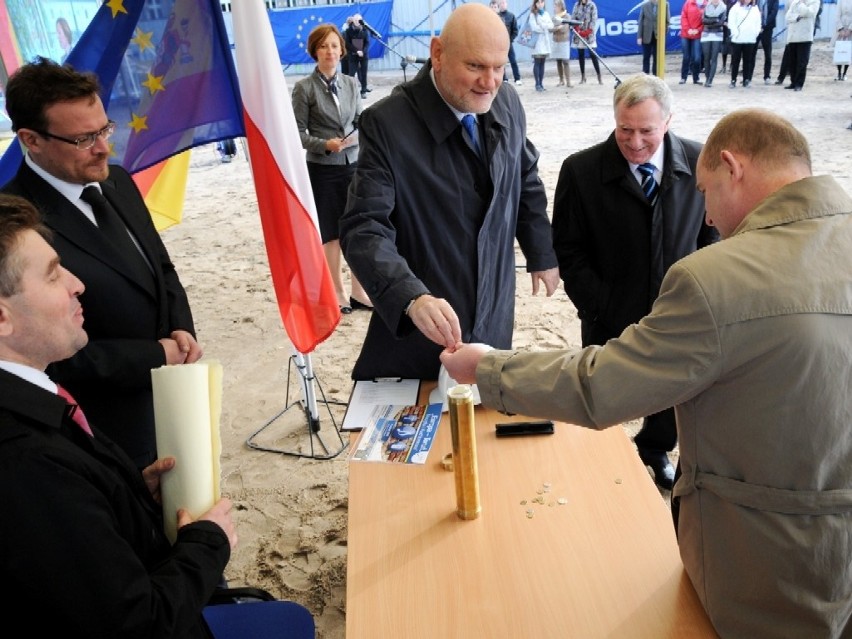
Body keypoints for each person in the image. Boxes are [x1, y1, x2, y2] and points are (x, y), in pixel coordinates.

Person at [441, 108, 852, 637]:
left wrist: (487, 368)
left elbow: (601, 385)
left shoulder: (718, 279)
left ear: (732, 167)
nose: (706, 216)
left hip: (769, 566)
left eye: (704, 191)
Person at [0, 193, 237, 636]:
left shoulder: (27, 396)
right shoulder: (24, 462)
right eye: (53, 276)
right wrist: (206, 543)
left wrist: (121, 494)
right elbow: (136, 623)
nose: (77, 284)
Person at [339, 3, 560, 381]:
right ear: (437, 53)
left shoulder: (506, 101)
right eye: (475, 66)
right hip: (420, 332)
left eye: (499, 67)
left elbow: (524, 177)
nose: (489, 82)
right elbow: (364, 228)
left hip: (493, 312)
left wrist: (541, 251)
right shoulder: (387, 124)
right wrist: (411, 296)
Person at [1, 58, 202, 469]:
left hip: (174, 398)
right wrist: (154, 356)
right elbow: (44, 349)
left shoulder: (118, 181)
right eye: (83, 139)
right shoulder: (16, 225)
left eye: (105, 128)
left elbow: (161, 267)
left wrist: (181, 328)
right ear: (31, 139)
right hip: (105, 427)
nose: (103, 147)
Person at [550, 74, 719, 490]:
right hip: (608, 311)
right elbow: (568, 249)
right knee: (601, 391)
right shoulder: (580, 170)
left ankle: (655, 448)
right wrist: (597, 303)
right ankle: (598, 460)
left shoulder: (700, 163)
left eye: (647, 130)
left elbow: (711, 236)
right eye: (625, 129)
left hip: (678, 311)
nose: (635, 141)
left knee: (672, 393)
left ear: (668, 121)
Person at [292, 24, 371, 315]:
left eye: (335, 46)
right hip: (324, 169)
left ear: (342, 50)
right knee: (332, 234)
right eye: (324, 46)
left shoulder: (351, 83)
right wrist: (325, 144)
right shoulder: (304, 88)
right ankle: (337, 292)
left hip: (354, 166)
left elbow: (363, 120)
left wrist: (354, 139)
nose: (330, 52)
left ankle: (359, 292)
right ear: (315, 51)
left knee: (357, 229)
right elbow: (297, 134)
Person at [782, 0, 820, 91]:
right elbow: (787, 17)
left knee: (802, 62)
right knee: (792, 61)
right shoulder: (795, 2)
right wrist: (797, 17)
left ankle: (799, 83)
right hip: (793, 36)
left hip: (805, 36)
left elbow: (809, 13)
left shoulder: (814, 1)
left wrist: (802, 4)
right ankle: (793, 82)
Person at [727, 0, 762, 88]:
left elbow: (758, 22)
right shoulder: (735, 8)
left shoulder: (755, 9)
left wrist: (755, 33)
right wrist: (735, 33)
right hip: (738, 39)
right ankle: (733, 79)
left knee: (748, 60)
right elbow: (731, 22)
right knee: (736, 60)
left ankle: (746, 79)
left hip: (750, 38)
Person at [571, 0, 602, 84]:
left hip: (589, 35)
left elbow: (594, 20)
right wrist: (577, 29)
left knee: (593, 55)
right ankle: (583, 76)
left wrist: (587, 31)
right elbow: (573, 18)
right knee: (581, 55)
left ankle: (599, 76)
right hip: (579, 34)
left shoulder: (592, 5)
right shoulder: (576, 5)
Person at [493, 0, 523, 85]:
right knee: (501, 62)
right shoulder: (496, 16)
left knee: (513, 60)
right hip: (499, 44)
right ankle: (504, 78)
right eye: (501, 3)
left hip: (509, 43)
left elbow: (515, 30)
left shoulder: (511, 16)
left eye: (504, 3)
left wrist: (510, 40)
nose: (502, 5)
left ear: (506, 4)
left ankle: (517, 78)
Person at [637, 0, 670, 75]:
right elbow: (641, 21)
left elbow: (667, 20)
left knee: (657, 58)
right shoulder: (645, 5)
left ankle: (656, 75)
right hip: (646, 35)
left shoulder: (665, 4)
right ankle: (645, 75)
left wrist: (664, 33)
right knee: (646, 57)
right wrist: (639, 36)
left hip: (659, 36)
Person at [529, 0, 554, 91]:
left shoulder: (546, 14)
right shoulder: (533, 14)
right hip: (537, 41)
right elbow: (534, 28)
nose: (540, 4)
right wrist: (545, 27)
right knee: (537, 61)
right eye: (538, 2)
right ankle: (537, 83)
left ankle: (541, 83)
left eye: (542, 2)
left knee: (543, 62)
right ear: (535, 4)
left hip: (545, 41)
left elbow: (551, 25)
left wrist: (543, 25)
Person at [700, 0, 726, 86]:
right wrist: (715, 20)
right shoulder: (706, 6)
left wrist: (709, 22)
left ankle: (710, 80)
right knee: (706, 58)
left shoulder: (723, 7)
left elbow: (721, 23)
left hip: (717, 34)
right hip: (706, 34)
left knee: (714, 58)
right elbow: (703, 20)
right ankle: (707, 78)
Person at [344, 14, 370, 99]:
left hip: (363, 55)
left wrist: (363, 51)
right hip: (353, 55)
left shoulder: (365, 30)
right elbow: (347, 44)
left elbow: (367, 42)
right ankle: (351, 92)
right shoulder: (348, 31)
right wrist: (356, 51)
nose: (357, 22)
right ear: (353, 21)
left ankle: (363, 90)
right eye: (355, 20)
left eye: (359, 20)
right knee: (351, 74)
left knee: (363, 73)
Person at [679, 0, 704, 84]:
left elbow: (706, 20)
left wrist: (698, 30)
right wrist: (688, 29)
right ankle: (683, 77)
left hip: (697, 35)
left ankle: (696, 78)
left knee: (697, 58)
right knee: (686, 57)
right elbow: (684, 17)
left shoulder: (706, 5)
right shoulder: (688, 3)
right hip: (686, 34)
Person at [755, 0, 779, 83]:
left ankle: (767, 76)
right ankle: (748, 75)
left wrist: (764, 25)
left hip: (767, 28)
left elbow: (774, 12)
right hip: (755, 27)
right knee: (751, 52)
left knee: (767, 53)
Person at [551, 0, 573, 87]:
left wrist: (557, 27)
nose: (554, 7)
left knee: (566, 61)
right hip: (556, 41)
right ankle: (561, 80)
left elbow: (564, 29)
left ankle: (568, 81)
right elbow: (550, 29)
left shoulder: (567, 16)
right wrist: (557, 28)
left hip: (564, 41)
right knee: (558, 61)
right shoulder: (554, 17)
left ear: (561, 6)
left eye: (556, 6)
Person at [832, 0, 851, 81]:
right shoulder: (840, 1)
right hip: (841, 27)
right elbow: (837, 15)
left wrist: (850, 29)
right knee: (839, 50)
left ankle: (845, 73)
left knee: (848, 51)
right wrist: (840, 28)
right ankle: (839, 72)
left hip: (850, 27)